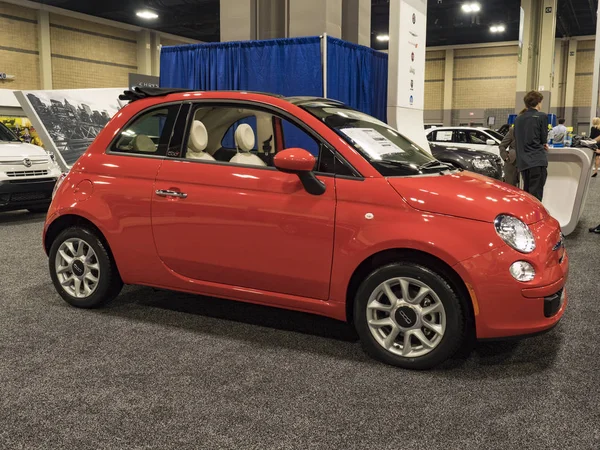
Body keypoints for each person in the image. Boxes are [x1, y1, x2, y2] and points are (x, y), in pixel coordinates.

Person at [514, 90, 549, 201]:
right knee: (536, 195)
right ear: (538, 102)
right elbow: (543, 138)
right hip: (537, 160)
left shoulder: (518, 119)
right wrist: (544, 144)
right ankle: (536, 217)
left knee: (527, 194)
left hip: (523, 162)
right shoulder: (542, 116)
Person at [498, 109, 526, 187]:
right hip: (512, 162)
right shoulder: (512, 131)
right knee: (510, 187)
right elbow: (502, 145)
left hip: (527, 163)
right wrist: (506, 157)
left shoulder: (534, 131)